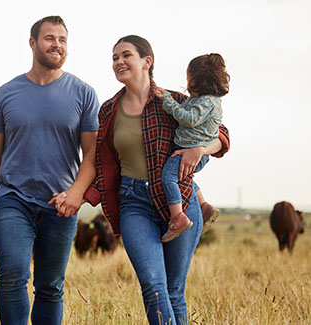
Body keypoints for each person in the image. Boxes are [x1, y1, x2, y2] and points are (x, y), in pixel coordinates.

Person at [83, 35, 230, 325]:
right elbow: (99, 163)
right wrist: (82, 196)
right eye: (114, 57)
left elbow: (222, 134)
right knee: (153, 286)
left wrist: (201, 148)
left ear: (146, 61)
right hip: (133, 203)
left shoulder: (176, 102)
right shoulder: (108, 111)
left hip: (181, 201)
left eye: (126, 55)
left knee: (174, 292)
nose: (119, 61)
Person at [0, 15, 100, 325]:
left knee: (50, 287)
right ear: (33, 43)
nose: (57, 45)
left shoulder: (83, 93)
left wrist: (76, 193)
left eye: (62, 40)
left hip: (61, 202)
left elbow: (93, 152)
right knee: (12, 274)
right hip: (14, 197)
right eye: (50, 38)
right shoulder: (6, 93)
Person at [153, 53, 230, 242]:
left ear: (198, 80)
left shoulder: (206, 102)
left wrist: (168, 101)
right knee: (182, 178)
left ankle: (177, 217)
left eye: (189, 79)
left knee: (168, 178)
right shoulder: (201, 101)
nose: (186, 83)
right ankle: (204, 205)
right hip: (190, 150)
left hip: (190, 151)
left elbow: (188, 118)